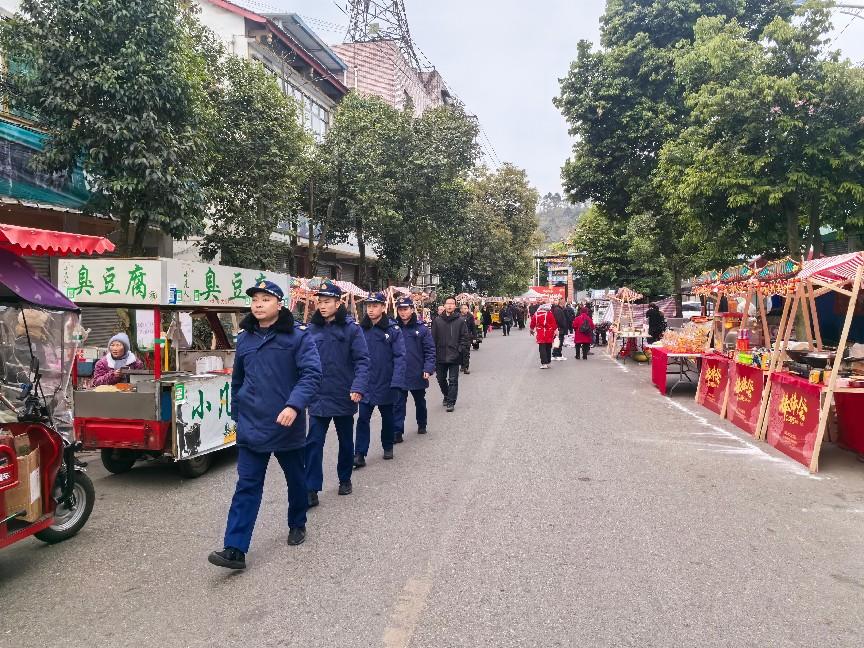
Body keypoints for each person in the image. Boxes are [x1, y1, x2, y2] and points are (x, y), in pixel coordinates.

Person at [209, 281, 322, 570]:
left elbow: (311, 374)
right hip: (251, 424)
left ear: (280, 304)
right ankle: (235, 548)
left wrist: (294, 405)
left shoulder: (298, 337)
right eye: (255, 300)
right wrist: (237, 412)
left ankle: (297, 522)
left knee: (296, 480)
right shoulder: (245, 339)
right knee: (246, 486)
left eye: (265, 299)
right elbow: (238, 381)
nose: (258, 304)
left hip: (286, 424)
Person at [305, 281, 370, 509]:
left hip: (345, 394)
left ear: (338, 303)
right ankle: (311, 488)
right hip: (318, 395)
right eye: (319, 302)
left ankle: (345, 478)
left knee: (345, 440)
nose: (322, 306)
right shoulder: (311, 330)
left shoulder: (352, 329)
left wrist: (358, 387)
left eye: (327, 302)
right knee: (313, 442)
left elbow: (362, 361)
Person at [354, 292, 406, 467]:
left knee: (388, 417)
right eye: (368, 306)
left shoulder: (393, 330)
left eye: (375, 306)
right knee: (362, 419)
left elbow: (400, 357)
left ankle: (388, 445)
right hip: (366, 382)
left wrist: (397, 382)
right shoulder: (361, 329)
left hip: (386, 382)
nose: (370, 309)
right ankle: (360, 453)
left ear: (383, 308)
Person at [394, 297, 436, 442]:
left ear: (412, 309)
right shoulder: (393, 328)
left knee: (419, 401)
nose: (403, 312)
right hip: (399, 373)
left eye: (405, 309)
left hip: (417, 372)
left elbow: (430, 351)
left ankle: (422, 423)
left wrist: (428, 368)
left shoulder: (422, 329)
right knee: (398, 404)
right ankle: (397, 431)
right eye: (400, 309)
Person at [431, 296, 470, 412]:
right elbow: (432, 339)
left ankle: (451, 402)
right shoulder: (437, 321)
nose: (450, 305)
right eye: (448, 303)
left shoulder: (460, 321)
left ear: (455, 306)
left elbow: (465, 337)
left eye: (452, 303)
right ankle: (447, 395)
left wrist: (459, 349)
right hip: (440, 355)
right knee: (440, 379)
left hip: (454, 355)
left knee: (453, 380)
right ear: (444, 305)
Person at [530, 302, 558, 369]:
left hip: (540, 334)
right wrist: (556, 331)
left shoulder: (536, 314)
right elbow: (553, 323)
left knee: (542, 349)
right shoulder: (549, 314)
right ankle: (548, 361)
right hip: (549, 333)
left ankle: (544, 363)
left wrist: (531, 330)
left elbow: (532, 323)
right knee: (548, 348)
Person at [550, 297, 571, 361]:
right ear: (561, 302)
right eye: (564, 301)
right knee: (559, 342)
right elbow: (559, 320)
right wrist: (563, 325)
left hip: (560, 328)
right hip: (559, 329)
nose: (565, 302)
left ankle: (557, 354)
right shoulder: (558, 310)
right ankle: (557, 354)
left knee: (559, 342)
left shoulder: (560, 309)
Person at [459, 303, 476, 374]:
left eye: (466, 308)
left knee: (466, 353)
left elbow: (473, 327)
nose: (465, 310)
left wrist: (475, 337)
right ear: (461, 309)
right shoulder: (457, 316)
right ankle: (462, 365)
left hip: (467, 337)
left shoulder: (470, 317)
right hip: (459, 337)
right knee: (460, 353)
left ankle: (466, 367)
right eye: (464, 308)